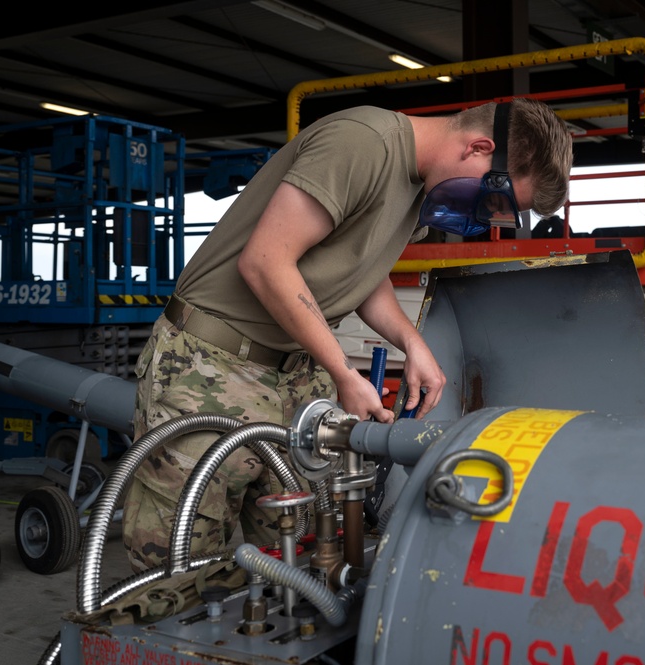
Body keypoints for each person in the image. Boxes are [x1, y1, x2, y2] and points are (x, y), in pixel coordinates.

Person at [122, 98, 574, 571]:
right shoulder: (364, 142)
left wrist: (412, 342)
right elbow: (265, 262)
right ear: (479, 149)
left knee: (307, 569)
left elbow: (363, 268)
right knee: (174, 574)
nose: (483, 214)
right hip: (210, 367)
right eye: (494, 199)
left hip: (296, 378)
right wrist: (342, 370)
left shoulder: (420, 187)